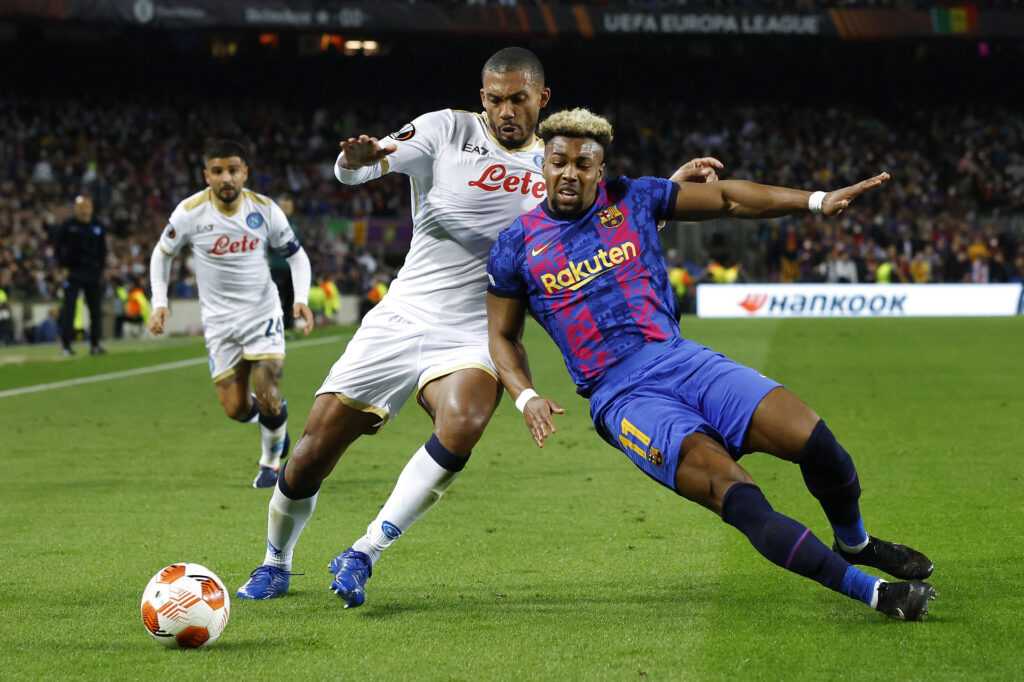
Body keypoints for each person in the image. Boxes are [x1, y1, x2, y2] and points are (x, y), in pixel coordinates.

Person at [236, 47, 722, 604]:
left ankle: (364, 551)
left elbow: (608, 219)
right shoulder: (446, 131)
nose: (506, 110)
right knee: (312, 453)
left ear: (542, 99)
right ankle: (276, 561)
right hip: (402, 315)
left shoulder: (557, 165)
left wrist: (666, 192)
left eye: (518, 99)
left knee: (464, 420)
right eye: (495, 99)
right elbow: (363, 169)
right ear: (482, 98)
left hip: (480, 328)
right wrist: (357, 159)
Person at [486, 109, 936, 621]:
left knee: (818, 443)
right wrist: (525, 396)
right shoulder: (517, 245)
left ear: (600, 168)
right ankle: (873, 592)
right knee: (738, 496)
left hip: (684, 360)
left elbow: (727, 198)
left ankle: (855, 544)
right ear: (542, 164)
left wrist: (816, 200)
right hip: (624, 399)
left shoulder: (633, 198)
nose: (570, 173)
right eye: (559, 161)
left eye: (583, 164)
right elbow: (501, 336)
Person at [149, 139, 314, 488]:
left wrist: (300, 298)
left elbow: (296, 255)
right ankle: (275, 420)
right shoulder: (189, 212)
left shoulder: (265, 209)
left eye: (233, 170)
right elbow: (162, 253)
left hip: (262, 313)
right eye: (219, 171)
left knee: (267, 391)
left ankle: (270, 464)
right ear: (207, 175)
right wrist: (159, 302)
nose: (227, 178)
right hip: (219, 323)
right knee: (235, 409)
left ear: (245, 173)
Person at [55, 195, 107, 356]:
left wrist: (101, 269)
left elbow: (103, 250)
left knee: (95, 310)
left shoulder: (98, 225)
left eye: (87, 206)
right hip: (73, 273)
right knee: (69, 309)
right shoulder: (68, 226)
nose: (84, 210)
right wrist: (62, 267)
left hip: (92, 273)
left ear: (91, 208)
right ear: (76, 209)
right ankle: (66, 346)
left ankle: (95, 344)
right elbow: (58, 247)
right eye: (81, 207)